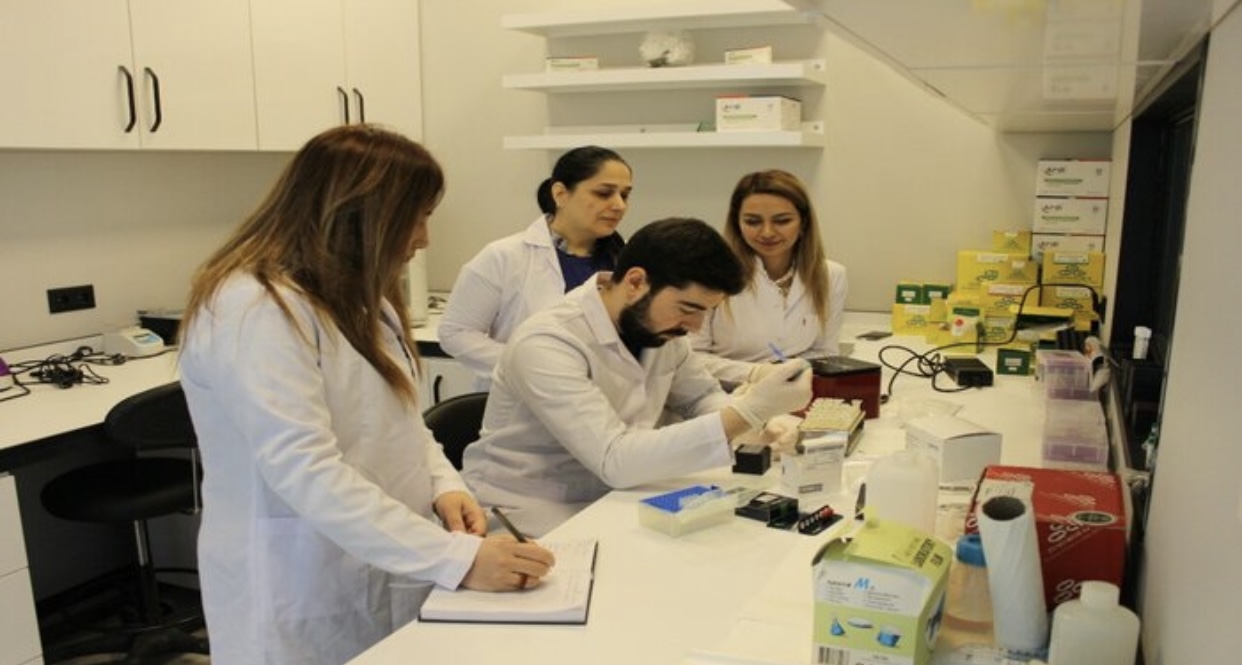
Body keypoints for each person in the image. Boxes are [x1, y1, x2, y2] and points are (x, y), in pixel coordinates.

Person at [177, 125, 554, 665]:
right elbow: (305, 468)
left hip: (381, 559)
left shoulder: (355, 298)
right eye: (416, 217)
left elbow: (402, 418)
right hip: (300, 578)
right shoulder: (256, 308)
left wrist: (444, 485)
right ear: (358, 214)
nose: (423, 238)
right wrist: (458, 559)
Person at [460, 218, 813, 537]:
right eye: (688, 309)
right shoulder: (548, 342)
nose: (695, 327)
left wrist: (755, 427)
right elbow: (614, 459)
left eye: (705, 312)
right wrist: (747, 412)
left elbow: (699, 397)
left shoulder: (659, 330)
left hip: (621, 496)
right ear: (635, 282)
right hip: (531, 516)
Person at [437, 145, 632, 389]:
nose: (619, 205)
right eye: (604, 193)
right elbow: (455, 333)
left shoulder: (628, 261)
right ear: (560, 194)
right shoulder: (504, 257)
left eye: (625, 195)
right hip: (526, 397)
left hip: (610, 397)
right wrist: (532, 365)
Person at [690, 169, 849, 388]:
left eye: (782, 221)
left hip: (796, 392)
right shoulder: (707, 273)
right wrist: (756, 373)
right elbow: (690, 358)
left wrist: (787, 375)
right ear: (737, 224)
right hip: (722, 395)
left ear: (803, 223)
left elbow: (825, 353)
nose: (767, 232)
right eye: (753, 221)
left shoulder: (831, 276)